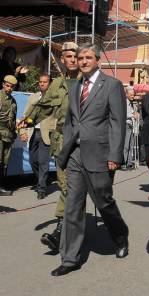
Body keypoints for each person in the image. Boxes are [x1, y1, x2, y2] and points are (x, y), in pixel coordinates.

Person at [51, 43, 129, 276]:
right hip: (75, 155)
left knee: (103, 202)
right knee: (73, 207)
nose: (82, 61)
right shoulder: (75, 87)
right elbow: (70, 121)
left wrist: (115, 155)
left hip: (100, 155)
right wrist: (67, 144)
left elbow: (117, 122)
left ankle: (120, 235)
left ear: (97, 60)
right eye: (79, 57)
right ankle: (70, 258)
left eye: (87, 57)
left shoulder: (112, 85)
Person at [23, 41, 80, 251]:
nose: (73, 60)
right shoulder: (57, 84)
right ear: (62, 60)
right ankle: (60, 231)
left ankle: (116, 230)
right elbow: (43, 108)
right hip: (62, 145)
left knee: (100, 196)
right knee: (67, 188)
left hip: (85, 147)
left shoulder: (91, 81)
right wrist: (25, 122)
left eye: (76, 55)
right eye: (68, 56)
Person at [21, 74, 54, 199]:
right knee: (32, 160)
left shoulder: (54, 98)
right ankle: (44, 180)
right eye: (40, 81)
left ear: (50, 84)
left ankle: (41, 189)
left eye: (45, 82)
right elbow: (25, 115)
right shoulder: (33, 97)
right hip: (33, 132)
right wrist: (22, 132)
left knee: (43, 162)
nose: (42, 84)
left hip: (47, 133)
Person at [0, 75, 17, 196]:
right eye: (7, 85)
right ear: (3, 84)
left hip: (8, 134)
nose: (9, 88)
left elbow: (13, 120)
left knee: (5, 162)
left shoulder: (13, 101)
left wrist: (14, 133)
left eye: (11, 86)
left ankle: (1, 186)